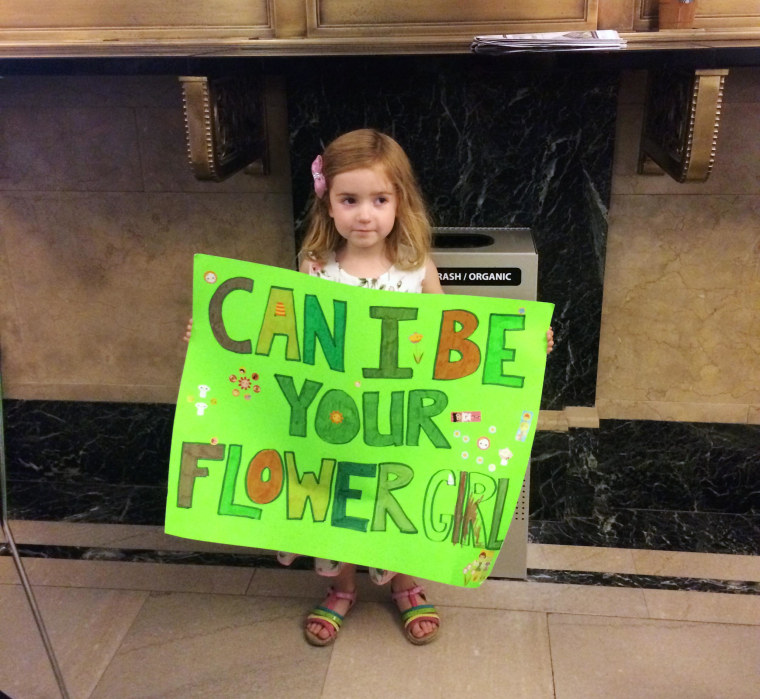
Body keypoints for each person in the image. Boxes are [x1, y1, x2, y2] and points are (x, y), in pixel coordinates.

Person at [186, 128, 554, 648]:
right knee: (335, 499)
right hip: (333, 425)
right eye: (350, 200)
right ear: (328, 204)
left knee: (398, 499)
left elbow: (452, 337)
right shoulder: (314, 270)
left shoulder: (415, 268)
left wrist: (520, 345)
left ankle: (407, 582)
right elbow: (281, 342)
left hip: (399, 423)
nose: (365, 214)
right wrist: (212, 340)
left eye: (379, 200)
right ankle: (341, 588)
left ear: (399, 201)